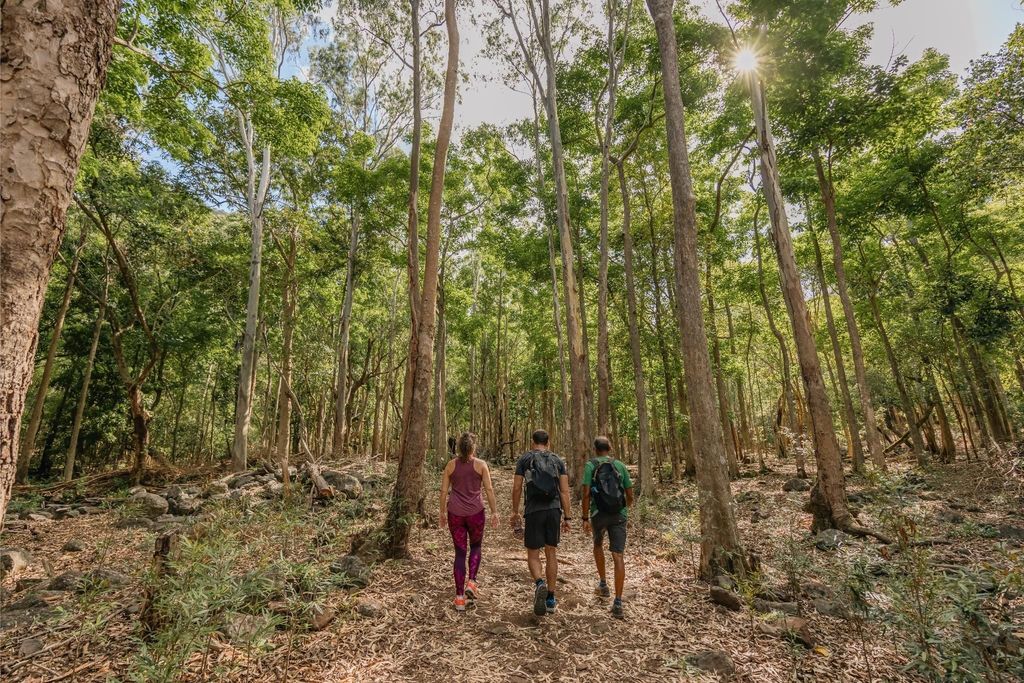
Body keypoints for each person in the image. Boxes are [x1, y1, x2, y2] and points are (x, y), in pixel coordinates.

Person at [511, 429, 572, 616]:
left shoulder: (525, 459)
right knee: (551, 552)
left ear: (532, 442)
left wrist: (515, 512)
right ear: (548, 442)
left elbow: (517, 487)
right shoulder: (557, 461)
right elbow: (564, 491)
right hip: (553, 510)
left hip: (533, 510)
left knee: (533, 553)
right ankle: (551, 598)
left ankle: (539, 583)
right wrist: (567, 517)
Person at [439, 432, 499, 612]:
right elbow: (488, 489)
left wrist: (442, 512)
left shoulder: (451, 465)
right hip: (476, 514)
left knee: (459, 553)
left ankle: (459, 598)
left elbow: (443, 492)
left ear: (458, 447)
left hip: (455, 514)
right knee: (476, 547)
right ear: (474, 447)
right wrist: (495, 511)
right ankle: (471, 582)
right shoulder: (481, 465)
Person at [581, 436, 634, 619]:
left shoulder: (590, 466)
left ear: (595, 449)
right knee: (618, 555)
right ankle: (618, 602)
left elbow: (586, 493)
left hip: (599, 514)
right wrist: (625, 509)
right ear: (610, 448)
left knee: (597, 545)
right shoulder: (619, 465)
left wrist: (585, 517)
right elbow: (629, 492)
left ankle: (603, 584)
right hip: (619, 514)